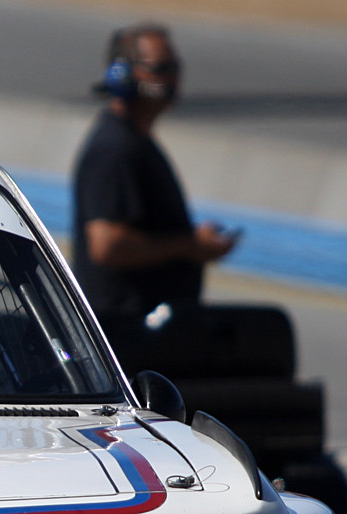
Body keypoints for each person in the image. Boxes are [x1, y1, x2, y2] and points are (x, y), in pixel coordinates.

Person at [71, 23, 237, 317]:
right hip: (126, 331)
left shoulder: (133, 142)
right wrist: (189, 245)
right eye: (161, 68)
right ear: (122, 75)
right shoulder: (115, 150)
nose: (173, 78)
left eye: (175, 67)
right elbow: (107, 245)